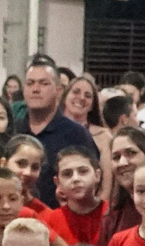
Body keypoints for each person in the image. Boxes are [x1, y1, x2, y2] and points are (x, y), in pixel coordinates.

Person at [16, 55, 97, 204]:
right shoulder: (14, 132)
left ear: (59, 90)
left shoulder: (76, 134)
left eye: (43, 83)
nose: (35, 89)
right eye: (30, 83)